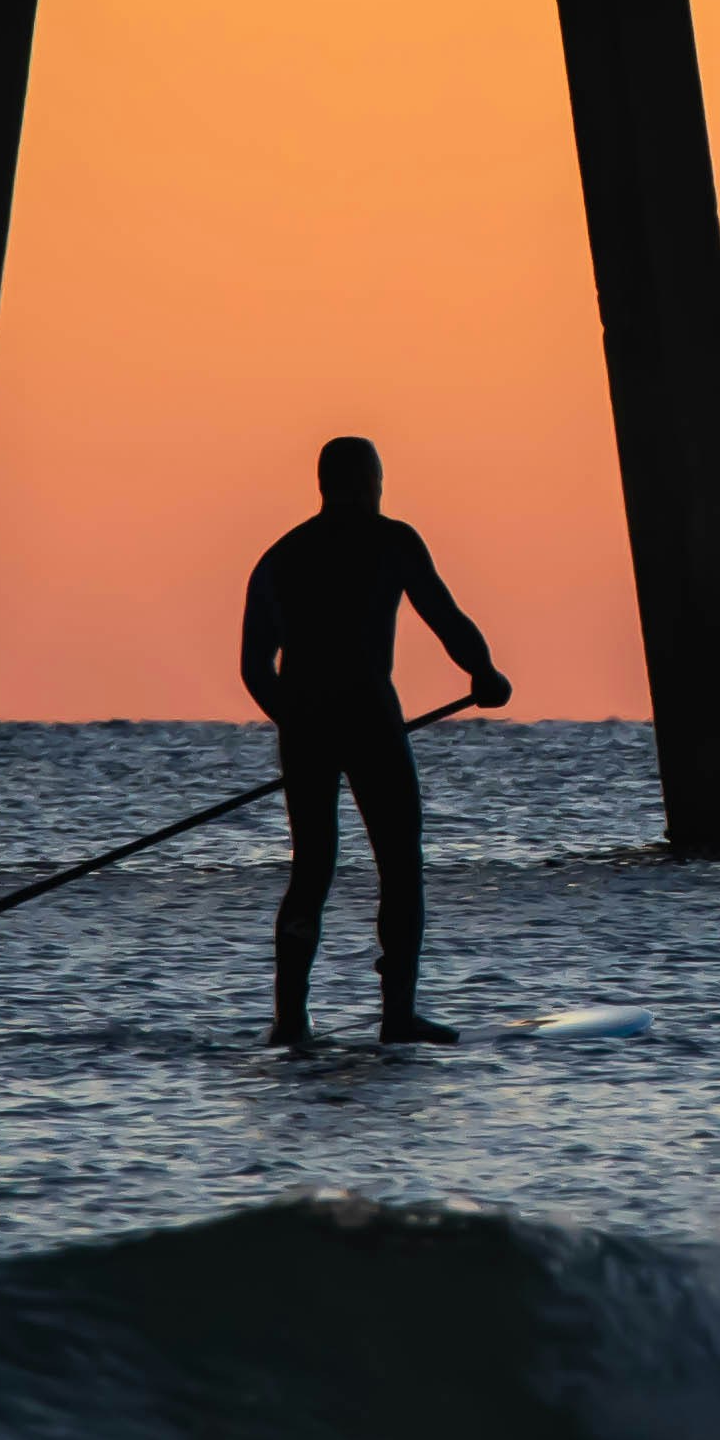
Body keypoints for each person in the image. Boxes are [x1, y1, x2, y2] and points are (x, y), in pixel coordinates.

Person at [238, 435, 507, 1048]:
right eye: (376, 479)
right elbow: (446, 618)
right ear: (367, 482)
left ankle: (290, 1021)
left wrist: (296, 722)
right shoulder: (393, 541)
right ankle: (397, 1016)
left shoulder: (281, 558)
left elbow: (256, 669)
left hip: (307, 721)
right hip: (369, 718)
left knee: (312, 868)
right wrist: (485, 675)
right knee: (399, 863)